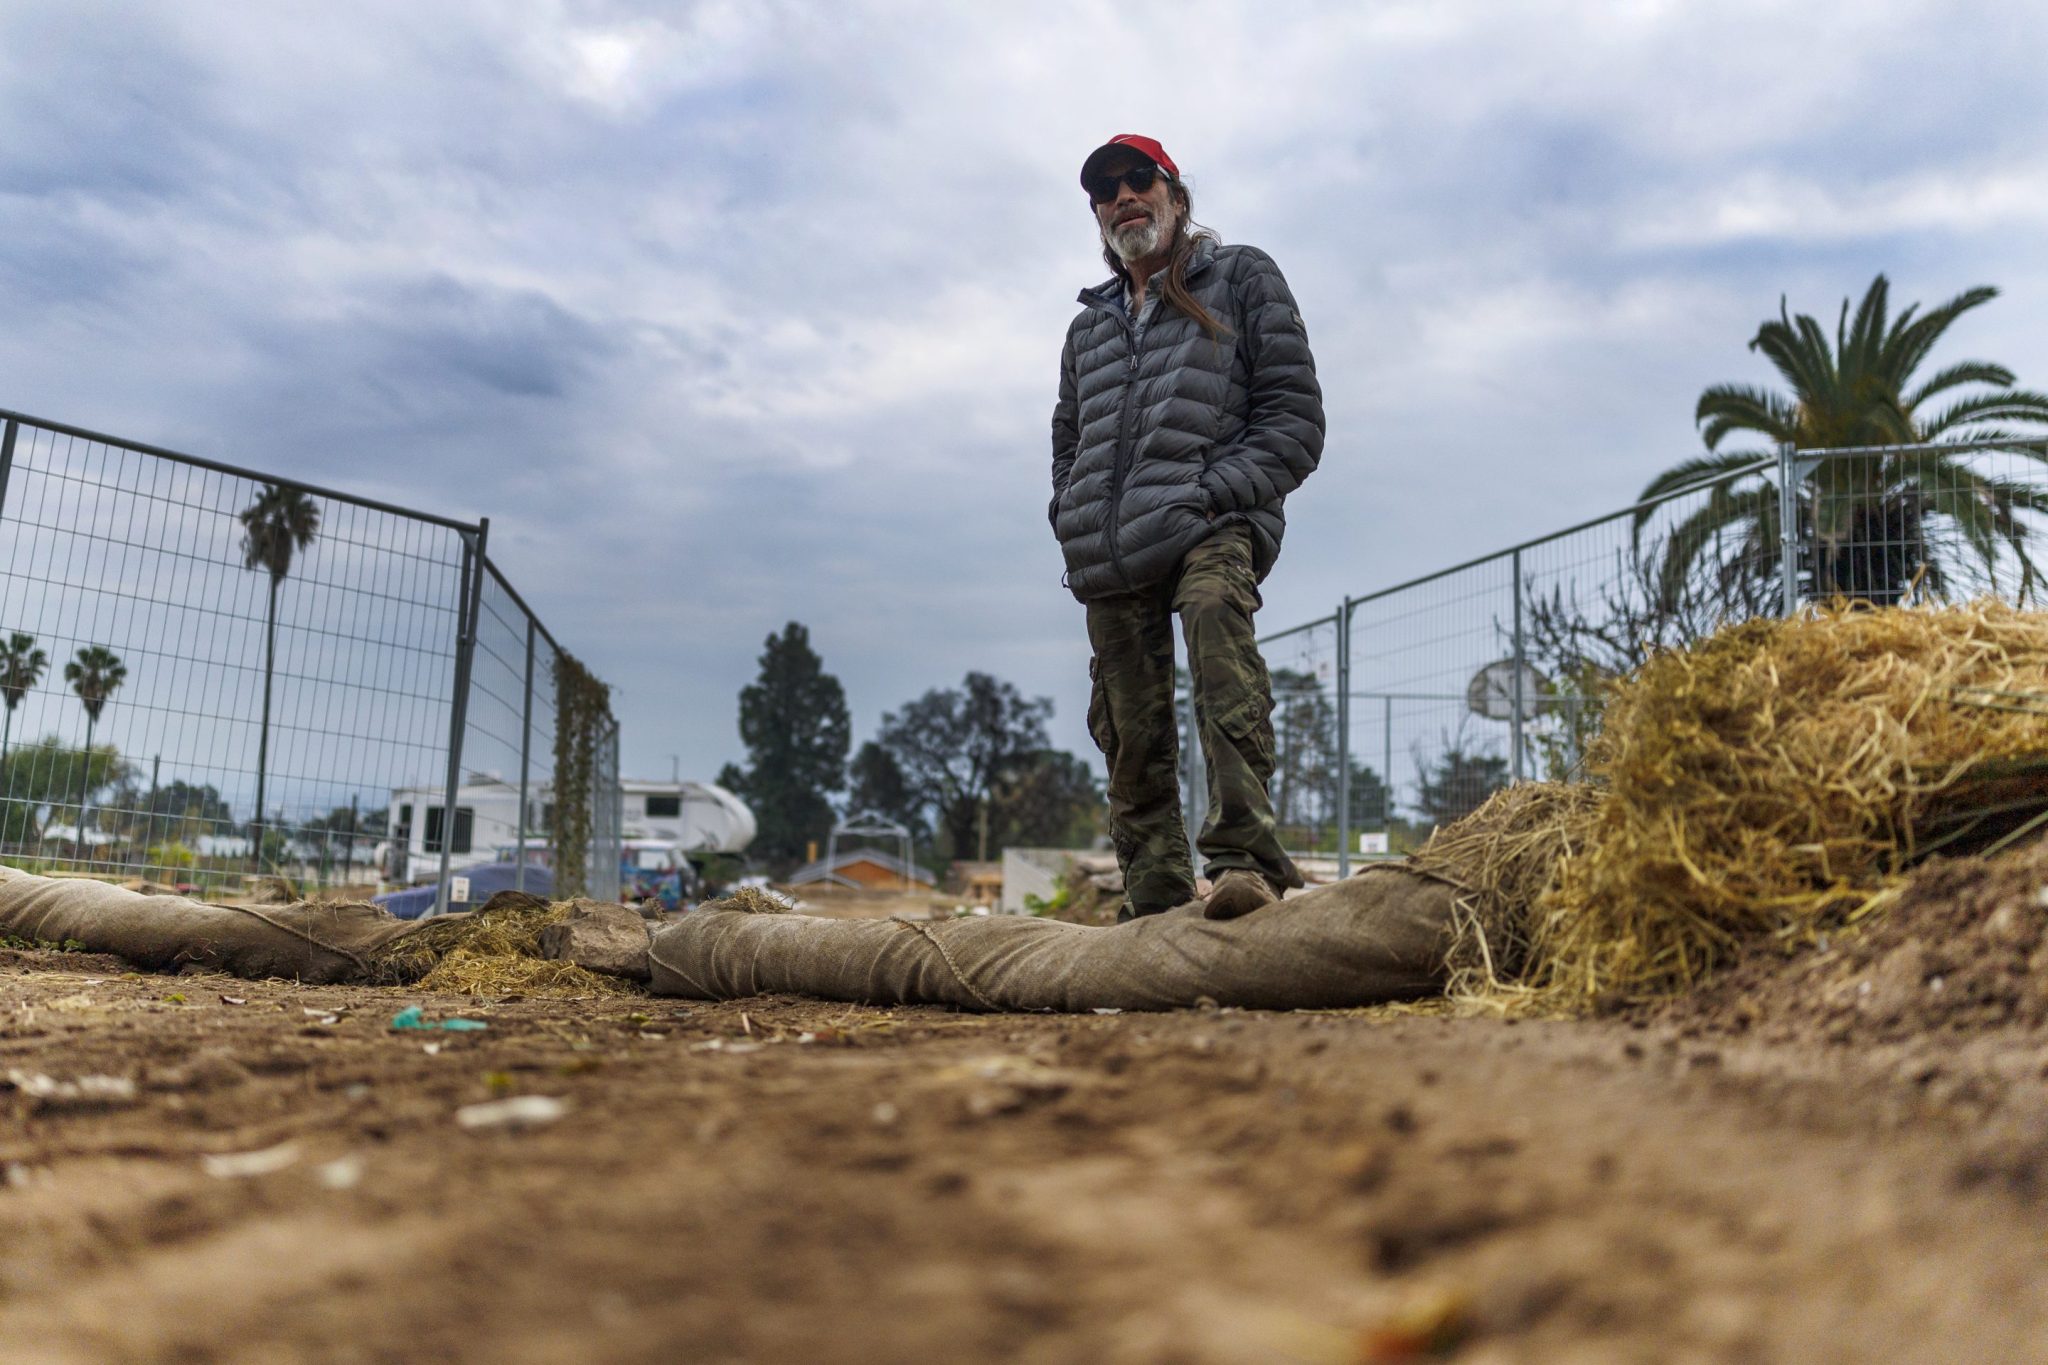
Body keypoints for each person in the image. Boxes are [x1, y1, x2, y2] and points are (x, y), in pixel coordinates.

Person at [1049, 134, 1325, 923]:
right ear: (1097, 214)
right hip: (1109, 547)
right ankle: (1156, 890)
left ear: (1175, 194)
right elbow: (1068, 442)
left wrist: (1212, 496)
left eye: (1141, 178)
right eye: (1106, 189)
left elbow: (1294, 418)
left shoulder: (1240, 276)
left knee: (1214, 627)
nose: (1124, 195)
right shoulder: (1088, 329)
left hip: (1210, 521)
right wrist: (1070, 514)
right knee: (1128, 722)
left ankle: (1243, 860)